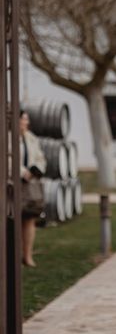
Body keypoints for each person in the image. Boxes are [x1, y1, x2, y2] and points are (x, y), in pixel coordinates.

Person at [19, 110, 46, 268]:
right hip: (14, 182)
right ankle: (14, 256)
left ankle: (27, 256)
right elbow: (7, 158)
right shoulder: (8, 137)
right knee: (14, 221)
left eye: (27, 120)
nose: (26, 122)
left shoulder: (32, 138)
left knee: (30, 219)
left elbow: (40, 158)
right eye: (24, 119)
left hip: (30, 185)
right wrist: (23, 172)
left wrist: (36, 170)